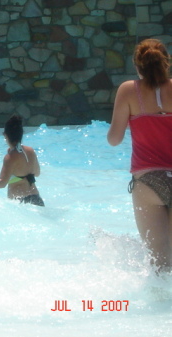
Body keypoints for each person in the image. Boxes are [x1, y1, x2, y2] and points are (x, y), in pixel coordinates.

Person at [107, 38, 172, 271]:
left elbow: (114, 140)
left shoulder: (128, 90)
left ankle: (158, 307)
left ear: (137, 66)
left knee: (159, 264)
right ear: (166, 63)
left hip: (148, 182)